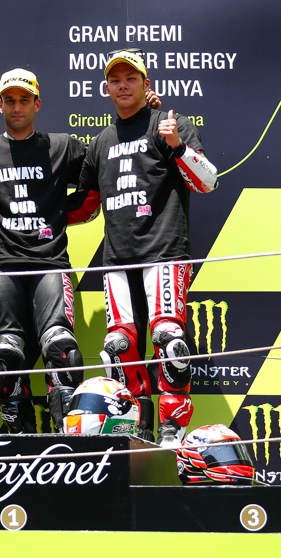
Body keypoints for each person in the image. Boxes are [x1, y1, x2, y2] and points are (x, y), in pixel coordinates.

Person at [74, 48, 218, 446]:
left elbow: (208, 181)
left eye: (131, 79)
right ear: (106, 88)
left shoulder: (170, 124)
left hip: (165, 252)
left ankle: (173, 430)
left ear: (145, 84)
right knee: (118, 347)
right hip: (117, 260)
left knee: (169, 338)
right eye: (115, 80)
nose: (123, 86)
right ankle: (137, 428)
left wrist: (177, 147)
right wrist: (34, 216)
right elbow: (85, 205)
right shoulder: (101, 141)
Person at [0, 68, 92, 432]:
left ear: (37, 104)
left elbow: (109, 165)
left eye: (24, 100)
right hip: (1, 267)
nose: (16, 107)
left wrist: (149, 120)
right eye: (9, 100)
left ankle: (66, 428)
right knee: (4, 354)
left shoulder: (62, 147)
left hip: (49, 262)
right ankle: (18, 428)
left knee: (62, 346)